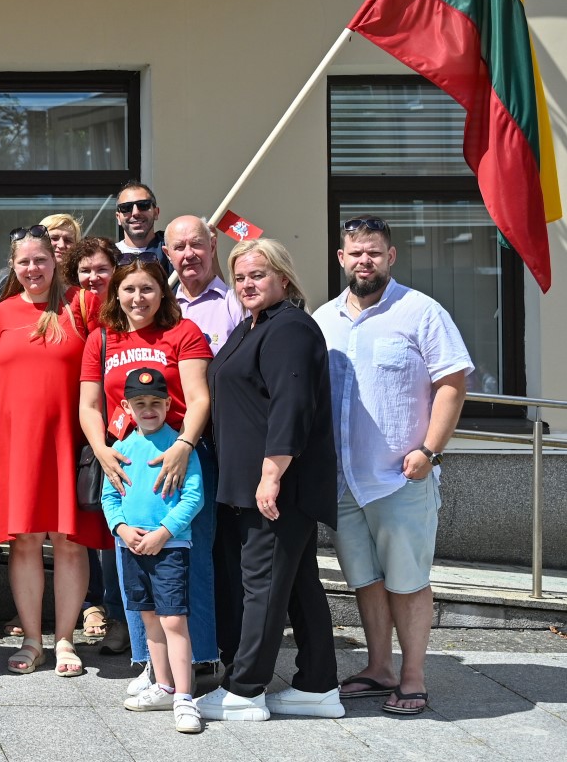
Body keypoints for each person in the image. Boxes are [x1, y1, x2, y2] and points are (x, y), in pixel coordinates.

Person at [317, 216, 471, 717]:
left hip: (401, 478)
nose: (365, 261)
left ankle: (413, 677)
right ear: (341, 258)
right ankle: (379, 667)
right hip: (344, 481)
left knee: (407, 582)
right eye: (356, 253)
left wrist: (430, 450)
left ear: (391, 256)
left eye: (374, 252)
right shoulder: (324, 319)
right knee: (365, 580)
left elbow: (452, 384)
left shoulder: (421, 311)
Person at [200, 238, 341, 722]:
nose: (247, 284)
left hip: (278, 486)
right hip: (247, 484)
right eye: (239, 277)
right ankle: (318, 686)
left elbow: (292, 405)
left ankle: (245, 691)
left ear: (283, 277)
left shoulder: (290, 327)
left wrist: (270, 475)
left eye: (257, 275)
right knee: (297, 584)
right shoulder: (253, 326)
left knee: (260, 585)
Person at [80, 259, 216, 687]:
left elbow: (199, 398)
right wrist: (101, 451)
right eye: (129, 289)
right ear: (116, 294)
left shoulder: (184, 332)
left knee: (188, 561)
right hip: (128, 461)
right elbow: (89, 405)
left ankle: (200, 661)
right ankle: (150, 665)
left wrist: (184, 446)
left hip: (181, 456)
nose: (138, 298)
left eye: (147, 289)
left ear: (162, 293)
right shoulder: (102, 338)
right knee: (133, 561)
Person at [0, 229, 107, 677]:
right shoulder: (2, 313)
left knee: (69, 541)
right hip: (15, 443)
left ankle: (65, 640)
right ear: (13, 266)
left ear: (55, 261)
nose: (33, 269)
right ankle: (33, 640)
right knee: (25, 540)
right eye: (24, 262)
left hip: (69, 440)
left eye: (40, 260)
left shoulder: (81, 305)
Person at [104, 367, 207, 734]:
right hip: (131, 546)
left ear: (168, 404)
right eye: (139, 403)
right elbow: (109, 496)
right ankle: (163, 685)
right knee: (149, 617)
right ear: (126, 408)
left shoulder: (179, 446)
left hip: (169, 547)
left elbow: (193, 497)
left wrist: (164, 532)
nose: (148, 410)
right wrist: (121, 528)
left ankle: (184, 696)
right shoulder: (121, 449)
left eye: (155, 403)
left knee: (173, 620)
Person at [62, 235, 120, 643]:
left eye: (102, 269)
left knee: (116, 524)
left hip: (126, 425)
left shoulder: (132, 305)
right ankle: (94, 604)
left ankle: (119, 613)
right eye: (85, 270)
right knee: (90, 516)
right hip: (83, 423)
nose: (93, 277)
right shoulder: (71, 308)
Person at [166, 215, 245, 355]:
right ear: (167, 254)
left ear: (212, 246)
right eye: (179, 247)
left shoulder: (238, 304)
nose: (189, 254)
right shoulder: (162, 310)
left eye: (196, 244)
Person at [114, 181, 167, 266]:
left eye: (143, 205)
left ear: (156, 213)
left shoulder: (173, 252)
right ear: (118, 217)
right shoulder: (109, 256)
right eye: (126, 207)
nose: (135, 213)